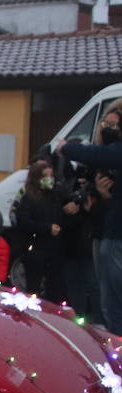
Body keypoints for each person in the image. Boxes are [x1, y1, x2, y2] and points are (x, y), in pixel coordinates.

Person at [58, 109, 122, 332]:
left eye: (115, 125)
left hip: (114, 236)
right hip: (101, 233)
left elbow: (94, 154)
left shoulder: (109, 154)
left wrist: (65, 146)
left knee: (112, 301)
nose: (109, 129)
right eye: (107, 124)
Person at [12, 159, 66, 302]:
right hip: (35, 250)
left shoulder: (55, 196)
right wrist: (47, 228)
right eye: (45, 176)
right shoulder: (28, 198)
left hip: (53, 251)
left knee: (54, 290)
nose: (50, 179)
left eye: (51, 175)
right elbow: (23, 222)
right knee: (33, 288)